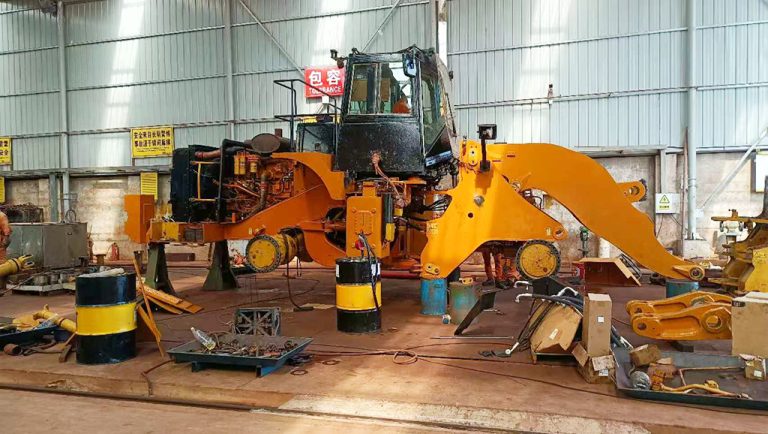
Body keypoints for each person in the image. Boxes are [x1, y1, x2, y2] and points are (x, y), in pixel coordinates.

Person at [0, 210, 11, 291]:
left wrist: (5, 241)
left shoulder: (1, 216)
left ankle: (2, 286)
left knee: (2, 264)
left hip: (0, 246)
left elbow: (6, 230)